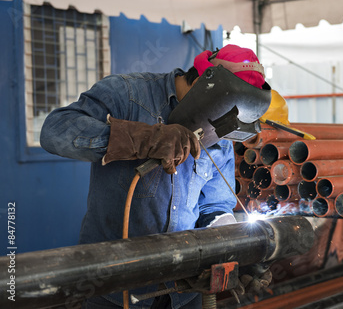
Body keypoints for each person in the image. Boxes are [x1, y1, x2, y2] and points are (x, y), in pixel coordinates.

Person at [40, 44, 271, 309]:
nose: (217, 132)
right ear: (202, 84)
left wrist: (237, 250)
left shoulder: (220, 131)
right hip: (114, 288)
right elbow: (54, 131)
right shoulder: (128, 94)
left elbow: (214, 207)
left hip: (185, 290)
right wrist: (145, 138)